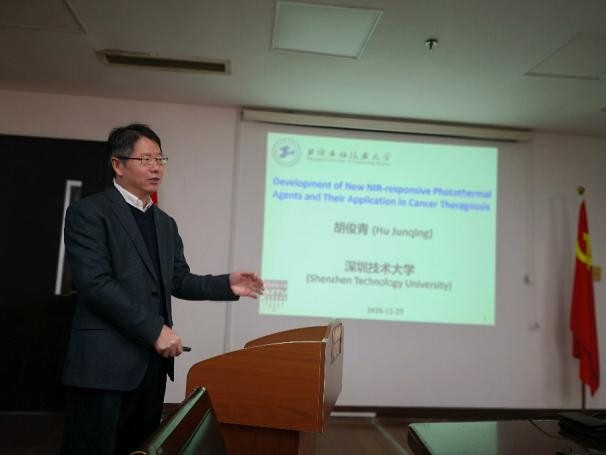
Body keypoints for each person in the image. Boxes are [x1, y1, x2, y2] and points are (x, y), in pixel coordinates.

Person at [60, 124, 264, 454]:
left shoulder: (165, 223)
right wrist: (155, 329)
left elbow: (178, 279)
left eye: (160, 159)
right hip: (102, 368)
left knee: (140, 449)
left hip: (150, 369)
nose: (156, 167)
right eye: (145, 159)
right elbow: (95, 284)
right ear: (118, 164)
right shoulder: (89, 212)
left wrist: (225, 284)